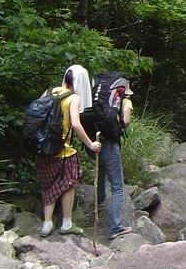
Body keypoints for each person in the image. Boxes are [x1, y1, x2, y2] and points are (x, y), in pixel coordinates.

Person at [38, 65, 101, 238]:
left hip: (44, 149)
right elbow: (75, 124)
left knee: (48, 186)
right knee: (69, 184)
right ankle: (66, 223)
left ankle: (46, 225)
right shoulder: (73, 98)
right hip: (64, 151)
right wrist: (90, 144)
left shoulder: (48, 92)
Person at [96, 79, 133, 240]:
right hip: (110, 145)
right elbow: (126, 122)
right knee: (118, 188)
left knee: (101, 172)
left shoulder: (97, 98)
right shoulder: (125, 101)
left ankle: (99, 202)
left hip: (94, 142)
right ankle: (116, 227)